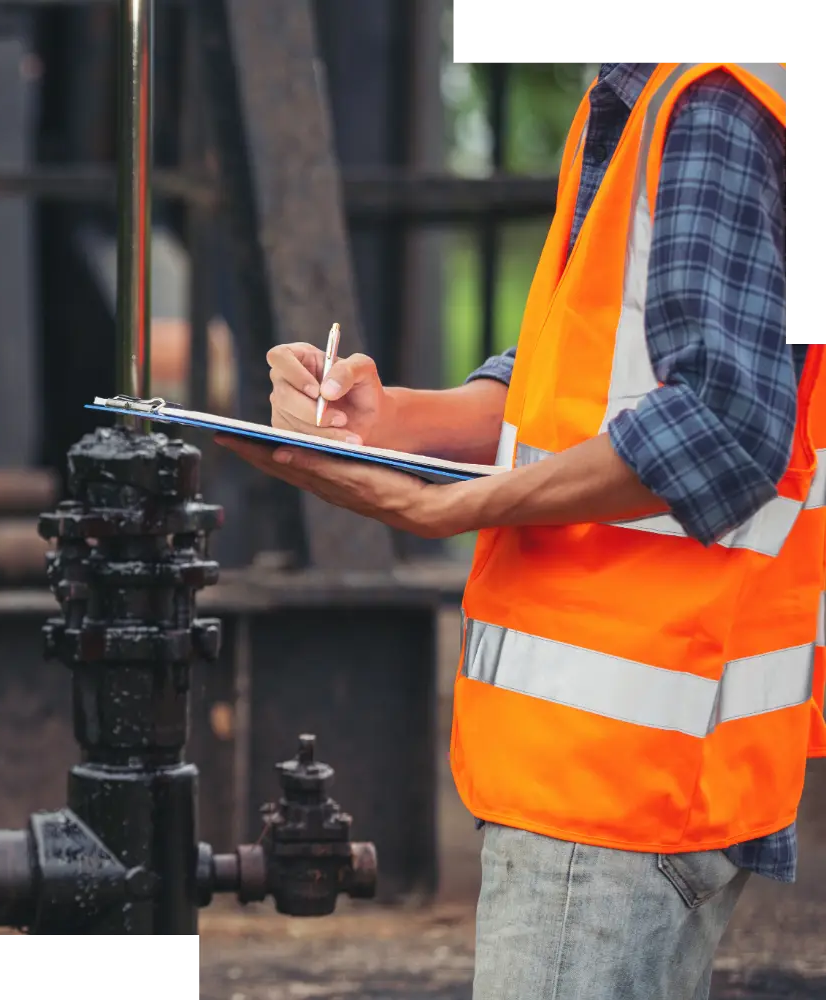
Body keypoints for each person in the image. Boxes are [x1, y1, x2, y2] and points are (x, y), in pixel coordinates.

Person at [216, 59, 817, 1000]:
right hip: (616, 769)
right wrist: (390, 420)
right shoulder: (645, 100)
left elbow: (724, 425)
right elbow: (576, 384)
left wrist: (455, 507)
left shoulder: (712, 106)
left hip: (618, 777)